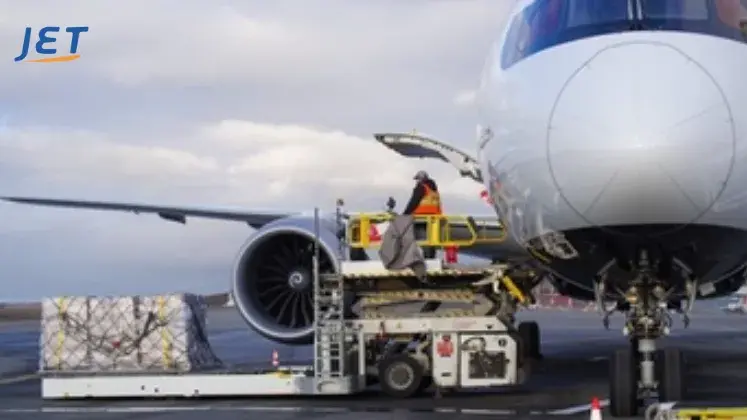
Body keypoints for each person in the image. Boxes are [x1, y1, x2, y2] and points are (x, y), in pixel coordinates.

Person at [402, 170, 442, 258]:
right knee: (431, 239)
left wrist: (404, 214)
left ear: (421, 179)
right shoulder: (434, 190)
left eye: (417, 179)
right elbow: (438, 206)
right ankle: (431, 257)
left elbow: (413, 202)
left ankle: (426, 258)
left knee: (422, 239)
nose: (416, 181)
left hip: (421, 218)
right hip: (434, 219)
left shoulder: (421, 188)